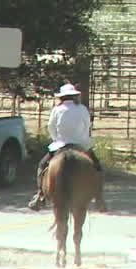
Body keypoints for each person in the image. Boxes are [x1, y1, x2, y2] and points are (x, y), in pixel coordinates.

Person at [27, 83, 107, 211]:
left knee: (42, 165)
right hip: (81, 144)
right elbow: (87, 126)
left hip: (61, 143)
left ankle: (40, 195)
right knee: (97, 167)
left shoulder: (57, 109)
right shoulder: (82, 109)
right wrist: (82, 138)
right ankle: (99, 198)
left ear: (62, 97)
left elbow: (51, 127)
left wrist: (56, 139)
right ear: (75, 96)